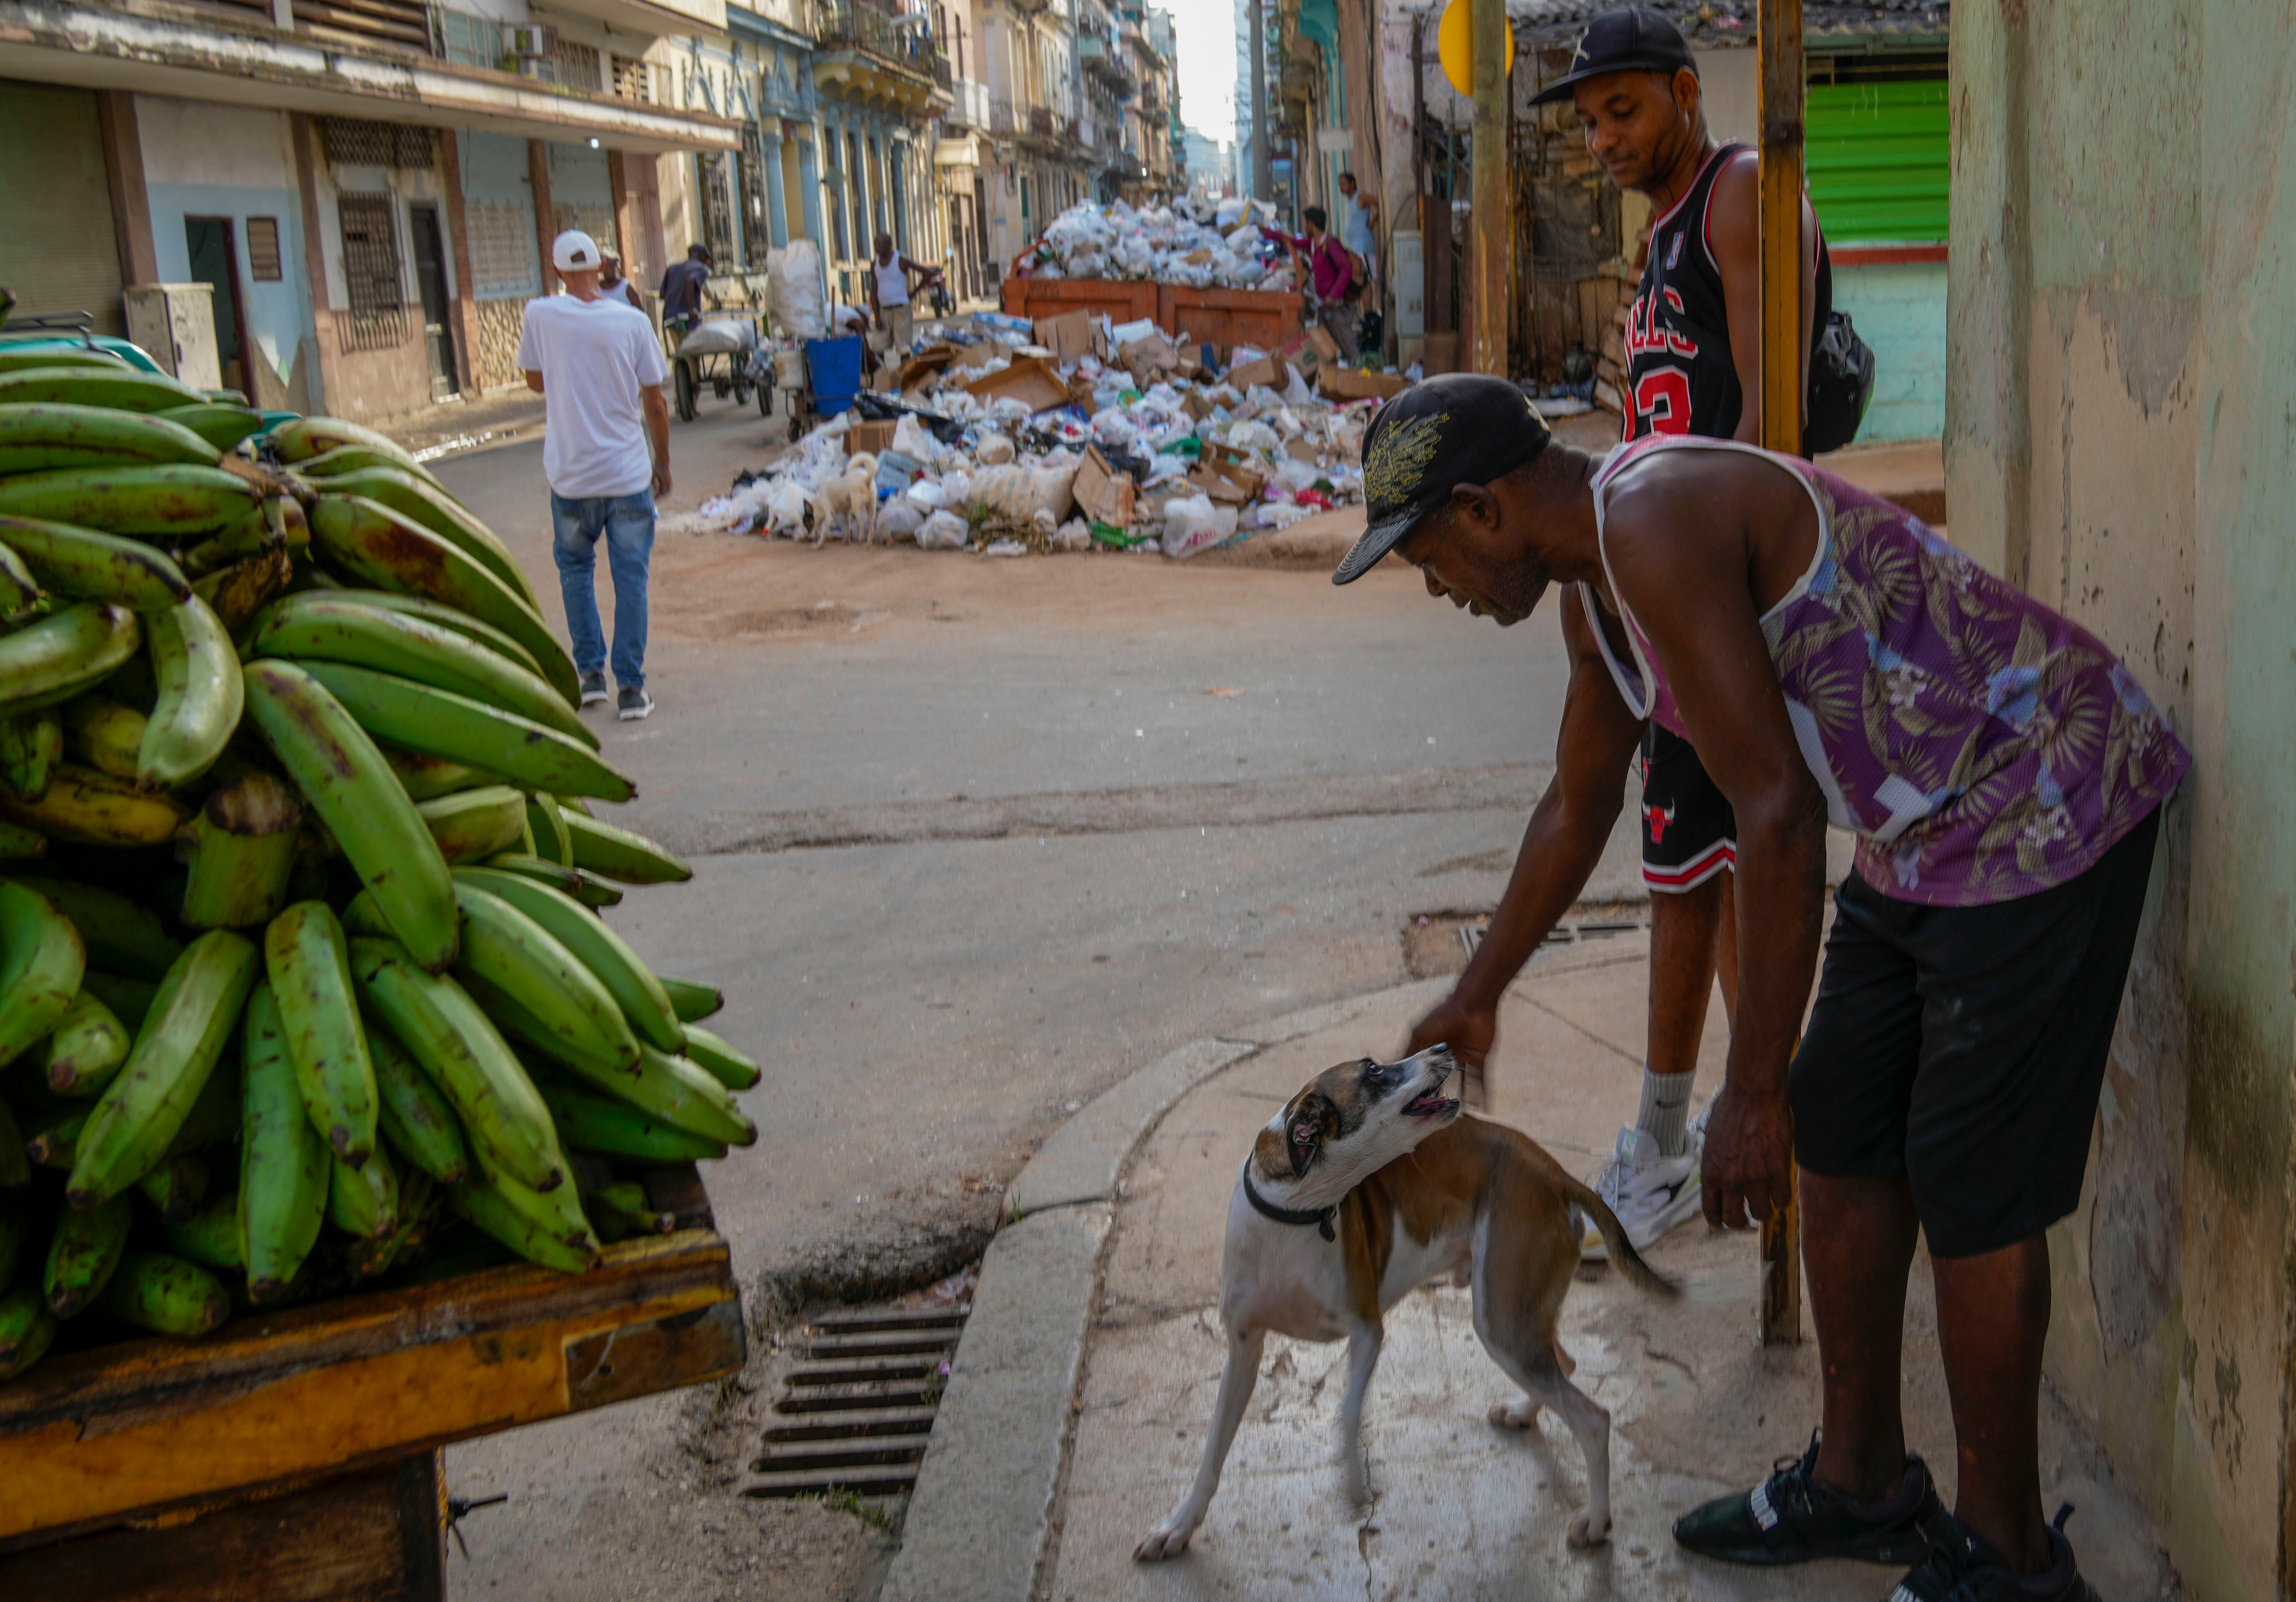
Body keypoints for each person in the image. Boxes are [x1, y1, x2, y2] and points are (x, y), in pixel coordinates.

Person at [1352, 373, 2186, 1602]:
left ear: (1479, 510)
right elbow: (1576, 804)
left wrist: (1745, 1091)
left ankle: (2008, 1558)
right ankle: (1860, 1481)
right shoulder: (1593, 590)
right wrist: (1478, 989)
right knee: (1842, 1125)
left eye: (1427, 558)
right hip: (1923, 832)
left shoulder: (1646, 521)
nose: (1440, 591)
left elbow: (1777, 815)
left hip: (2038, 793)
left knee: (1965, 1176)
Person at [1469, 3, 1831, 1255]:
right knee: (1687, 871)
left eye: (1622, 111)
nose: (1604, 140)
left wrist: (1707, 593)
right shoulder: (1664, 231)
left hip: (1710, 591)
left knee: (1723, 865)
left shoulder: (1735, 196)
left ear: (1686, 93)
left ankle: (1732, 1136)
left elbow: (1769, 430)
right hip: (1659, 596)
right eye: (1588, 121)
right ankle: (1682, 1136)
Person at [520, 229, 671, 722]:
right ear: (602, 268)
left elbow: (535, 381)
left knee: (575, 572)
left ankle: (590, 677)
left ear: (559, 270)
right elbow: (656, 401)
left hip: (571, 477)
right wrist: (662, 464)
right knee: (632, 579)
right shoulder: (631, 321)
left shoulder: (539, 315)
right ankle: (631, 689)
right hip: (627, 474)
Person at [1259, 206, 1359, 361]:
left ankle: (1365, 379)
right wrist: (1265, 232)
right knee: (1326, 353)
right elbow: (1292, 241)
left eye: (1306, 223)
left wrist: (1333, 295)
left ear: (1312, 224)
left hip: (1337, 309)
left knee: (1350, 352)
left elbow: (1346, 269)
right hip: (1323, 308)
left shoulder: (1331, 244)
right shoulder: (1313, 244)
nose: (1305, 227)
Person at [866, 232, 938, 358]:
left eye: (880, 245)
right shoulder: (875, 265)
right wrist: (877, 316)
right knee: (878, 348)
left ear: (889, 246)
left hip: (901, 310)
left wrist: (914, 293)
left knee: (904, 349)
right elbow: (874, 291)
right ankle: (882, 376)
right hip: (884, 312)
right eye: (875, 244)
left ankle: (905, 376)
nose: (876, 248)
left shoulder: (900, 260)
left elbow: (927, 274)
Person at [1337, 170, 1379, 297]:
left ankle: (1372, 311)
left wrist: (1373, 222)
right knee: (1359, 280)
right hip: (1356, 247)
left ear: (1353, 183)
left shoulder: (1361, 197)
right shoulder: (1351, 201)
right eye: (1340, 184)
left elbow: (1380, 203)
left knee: (1366, 280)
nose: (1341, 187)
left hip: (1363, 245)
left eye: (1344, 184)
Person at [659, 243, 712, 338]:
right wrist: (691, 309)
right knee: (693, 350)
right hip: (689, 320)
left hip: (671, 319)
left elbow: (662, 294)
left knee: (680, 351)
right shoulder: (701, 268)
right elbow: (690, 281)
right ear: (701, 255)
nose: (706, 261)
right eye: (706, 257)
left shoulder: (672, 268)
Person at [598, 247, 645, 312]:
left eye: (611, 266)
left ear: (618, 268)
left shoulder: (626, 287)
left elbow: (640, 313)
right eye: (605, 267)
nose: (608, 270)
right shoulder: (597, 289)